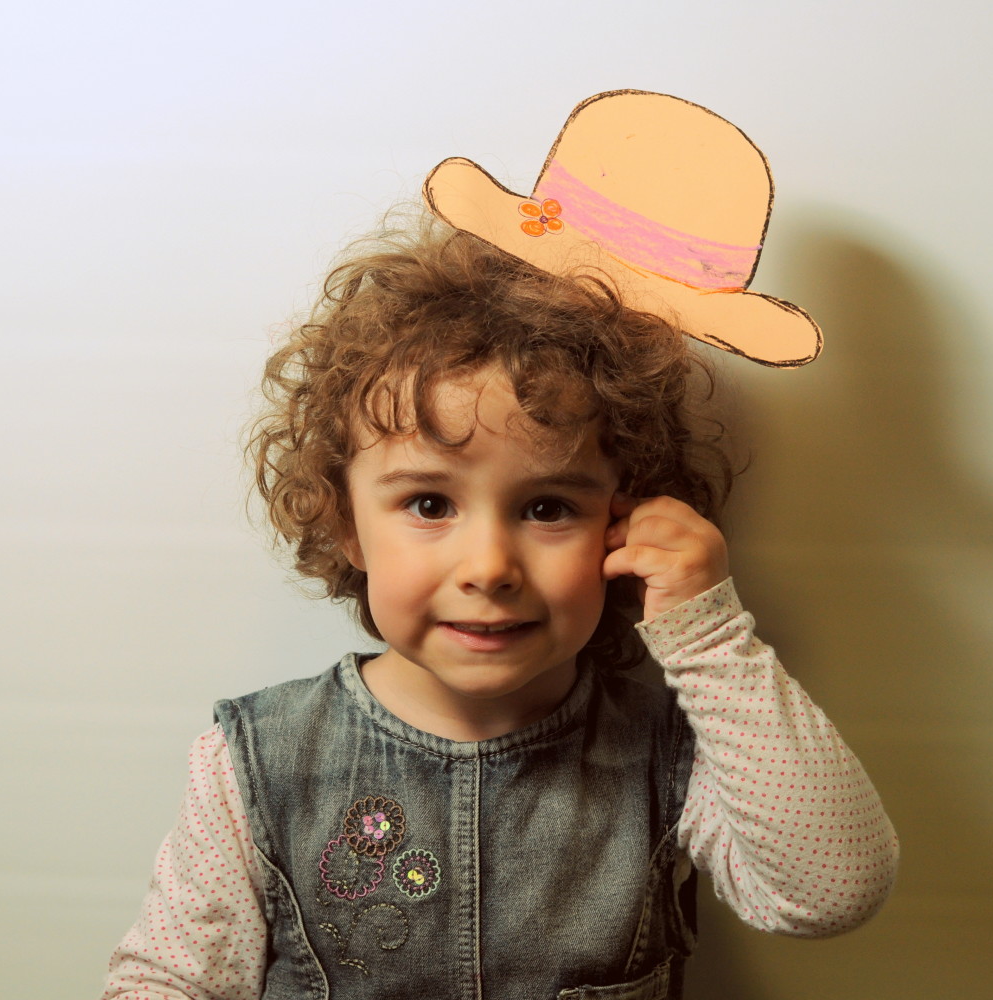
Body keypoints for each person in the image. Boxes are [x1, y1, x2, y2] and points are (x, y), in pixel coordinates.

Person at [99, 221, 898, 1000]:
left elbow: (830, 892)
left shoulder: (670, 752)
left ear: (623, 522)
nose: (488, 568)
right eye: (429, 503)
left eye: (547, 508)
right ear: (346, 524)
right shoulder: (255, 760)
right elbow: (167, 981)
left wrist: (708, 634)